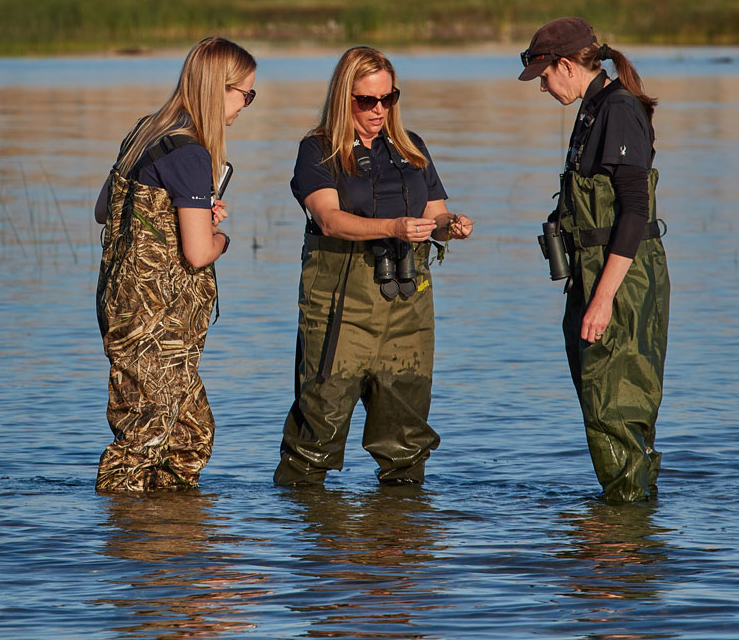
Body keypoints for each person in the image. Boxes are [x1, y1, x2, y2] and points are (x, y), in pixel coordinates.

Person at [274, 46, 472, 488]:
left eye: (388, 98)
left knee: (405, 440)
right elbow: (328, 218)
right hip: (343, 307)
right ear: (345, 98)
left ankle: (398, 540)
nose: (379, 110)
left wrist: (450, 225)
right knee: (316, 435)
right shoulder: (318, 149)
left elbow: (436, 214)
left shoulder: (411, 147)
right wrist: (395, 226)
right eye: (367, 101)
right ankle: (313, 546)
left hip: (408, 307)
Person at [93, 37, 258, 492]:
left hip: (127, 309)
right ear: (218, 89)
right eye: (245, 93)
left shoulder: (146, 132)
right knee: (143, 439)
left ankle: (174, 542)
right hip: (156, 323)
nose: (246, 104)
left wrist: (191, 213)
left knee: (190, 436)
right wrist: (220, 237)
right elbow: (198, 254)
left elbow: (105, 209)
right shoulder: (190, 153)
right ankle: (126, 545)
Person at [518, 17, 670, 503]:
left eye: (544, 76)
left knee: (617, 407)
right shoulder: (593, 109)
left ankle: (621, 551)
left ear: (565, 65)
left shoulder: (618, 110)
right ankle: (619, 535)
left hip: (621, 282)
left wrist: (603, 300)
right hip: (593, 277)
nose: (542, 87)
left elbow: (634, 210)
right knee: (602, 404)